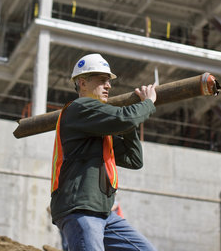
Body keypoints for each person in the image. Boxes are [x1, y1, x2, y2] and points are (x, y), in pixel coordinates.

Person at [50, 53, 158, 251]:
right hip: (80, 209)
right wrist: (147, 104)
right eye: (102, 81)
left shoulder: (97, 129)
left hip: (103, 212)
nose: (108, 86)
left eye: (108, 81)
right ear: (82, 83)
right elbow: (123, 118)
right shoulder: (79, 108)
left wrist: (128, 124)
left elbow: (134, 159)